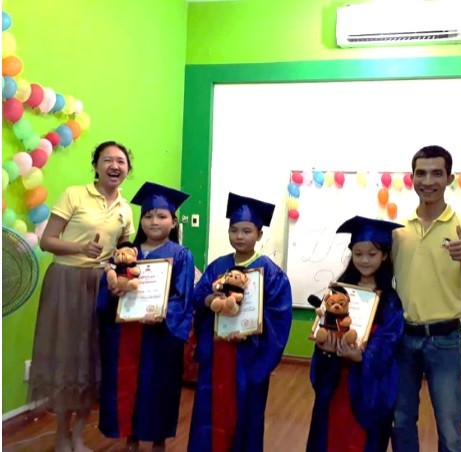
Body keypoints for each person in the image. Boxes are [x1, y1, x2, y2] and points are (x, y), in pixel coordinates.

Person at [28, 141, 134, 452]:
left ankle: (77, 435)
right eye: (107, 159)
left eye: (121, 161)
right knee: (67, 359)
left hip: (102, 285)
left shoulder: (125, 209)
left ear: (128, 169)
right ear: (96, 165)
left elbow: (124, 252)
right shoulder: (74, 194)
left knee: (94, 359)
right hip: (67, 282)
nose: (114, 165)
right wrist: (81, 248)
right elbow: (47, 241)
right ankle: (61, 435)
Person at [391, 145, 461, 452]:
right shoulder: (398, 231)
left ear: (449, 178)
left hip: (446, 341)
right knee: (400, 420)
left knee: (450, 428)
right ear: (412, 178)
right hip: (403, 339)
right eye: (421, 173)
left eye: (437, 173)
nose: (428, 181)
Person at [188, 192, 293, 452]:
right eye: (234, 230)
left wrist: (250, 330)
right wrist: (210, 298)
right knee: (210, 411)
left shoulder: (270, 272)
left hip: (249, 356)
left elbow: (278, 316)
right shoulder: (218, 266)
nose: (239, 236)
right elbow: (198, 297)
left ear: (259, 234)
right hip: (217, 351)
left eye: (247, 231)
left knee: (246, 412)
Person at [96, 182, 195, 452]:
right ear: (141, 221)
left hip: (160, 335)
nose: (154, 221)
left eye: (161, 216)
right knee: (131, 384)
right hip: (128, 332)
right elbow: (109, 289)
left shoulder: (181, 255)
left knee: (159, 386)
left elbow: (183, 296)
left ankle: (158, 438)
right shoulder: (128, 252)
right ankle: (132, 436)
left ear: (173, 222)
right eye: (148, 215)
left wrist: (162, 314)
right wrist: (113, 290)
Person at [306, 216, 404, 452]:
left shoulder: (390, 300)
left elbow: (390, 340)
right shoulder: (339, 291)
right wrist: (326, 348)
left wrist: (363, 356)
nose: (364, 260)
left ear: (384, 255)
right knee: (331, 435)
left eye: (372, 254)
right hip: (336, 381)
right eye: (358, 254)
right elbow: (325, 326)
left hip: (367, 387)